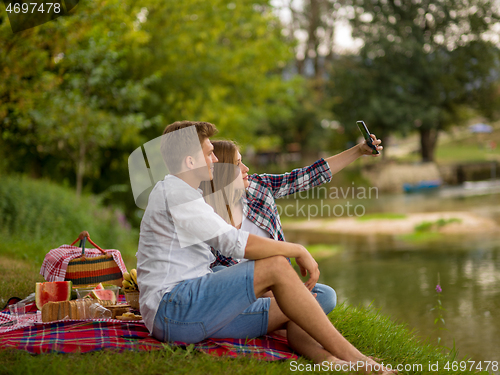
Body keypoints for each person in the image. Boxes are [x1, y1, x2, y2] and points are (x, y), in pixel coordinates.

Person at [136, 120, 394, 374]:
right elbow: (233, 243)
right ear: (190, 162)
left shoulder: (186, 193)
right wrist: (298, 250)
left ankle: (332, 361)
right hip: (175, 310)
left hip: (187, 313)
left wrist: (359, 150)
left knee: (312, 299)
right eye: (209, 153)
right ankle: (360, 361)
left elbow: (305, 177)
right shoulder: (178, 195)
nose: (215, 159)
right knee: (276, 265)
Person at [200, 140, 344, 315]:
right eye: (238, 164)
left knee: (326, 295)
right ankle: (288, 312)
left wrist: (359, 150)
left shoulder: (259, 187)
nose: (246, 169)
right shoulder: (203, 211)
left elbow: (310, 175)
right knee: (218, 272)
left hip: (274, 286)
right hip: (235, 293)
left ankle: (274, 313)